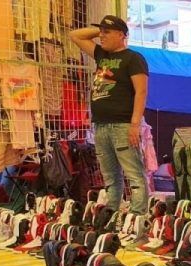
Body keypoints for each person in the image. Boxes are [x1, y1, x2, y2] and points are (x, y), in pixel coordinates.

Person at [69, 15, 149, 215]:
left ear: (121, 35)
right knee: (110, 177)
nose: (102, 36)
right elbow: (75, 35)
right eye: (101, 32)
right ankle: (111, 214)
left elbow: (141, 91)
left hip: (123, 125)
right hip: (101, 125)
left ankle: (138, 217)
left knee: (134, 175)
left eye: (107, 32)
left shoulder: (133, 58)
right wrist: (101, 29)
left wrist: (135, 124)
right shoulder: (101, 55)